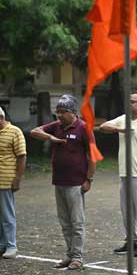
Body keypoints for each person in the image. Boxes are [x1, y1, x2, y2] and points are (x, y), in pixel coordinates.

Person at [30, 95, 96, 271]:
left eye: (63, 112)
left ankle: (77, 257)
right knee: (65, 221)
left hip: (76, 183)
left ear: (73, 112)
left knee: (77, 222)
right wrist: (50, 138)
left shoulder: (83, 128)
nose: (59, 115)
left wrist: (89, 179)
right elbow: (34, 131)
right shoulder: (57, 126)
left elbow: (92, 156)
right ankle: (69, 254)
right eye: (57, 112)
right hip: (59, 181)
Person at [100, 92, 137, 257]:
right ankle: (131, 240)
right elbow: (103, 127)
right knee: (127, 209)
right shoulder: (123, 118)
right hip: (124, 172)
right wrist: (120, 129)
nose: (130, 104)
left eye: (133, 102)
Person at [0, 107, 26, 259]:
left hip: (6, 180)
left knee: (7, 215)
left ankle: (11, 246)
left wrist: (17, 179)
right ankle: (2, 244)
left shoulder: (15, 132)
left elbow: (22, 156)